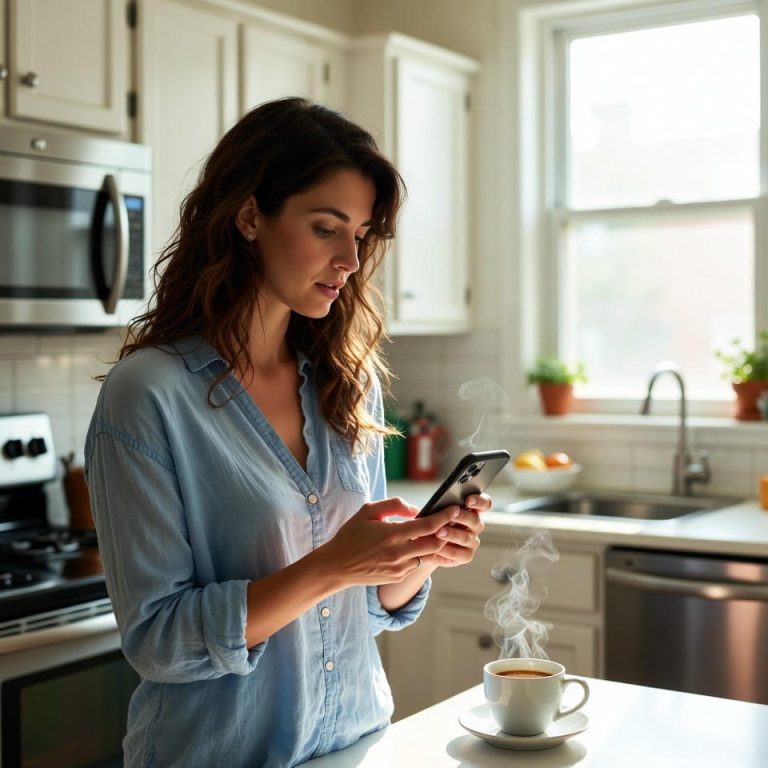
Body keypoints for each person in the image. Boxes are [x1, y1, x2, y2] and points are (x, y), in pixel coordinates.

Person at [85, 97, 491, 768]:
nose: (350, 259)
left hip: (354, 746)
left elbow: (365, 609)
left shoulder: (348, 382)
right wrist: (333, 564)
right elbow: (159, 642)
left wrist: (421, 550)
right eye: (326, 228)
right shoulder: (149, 394)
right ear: (250, 217)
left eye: (361, 234)